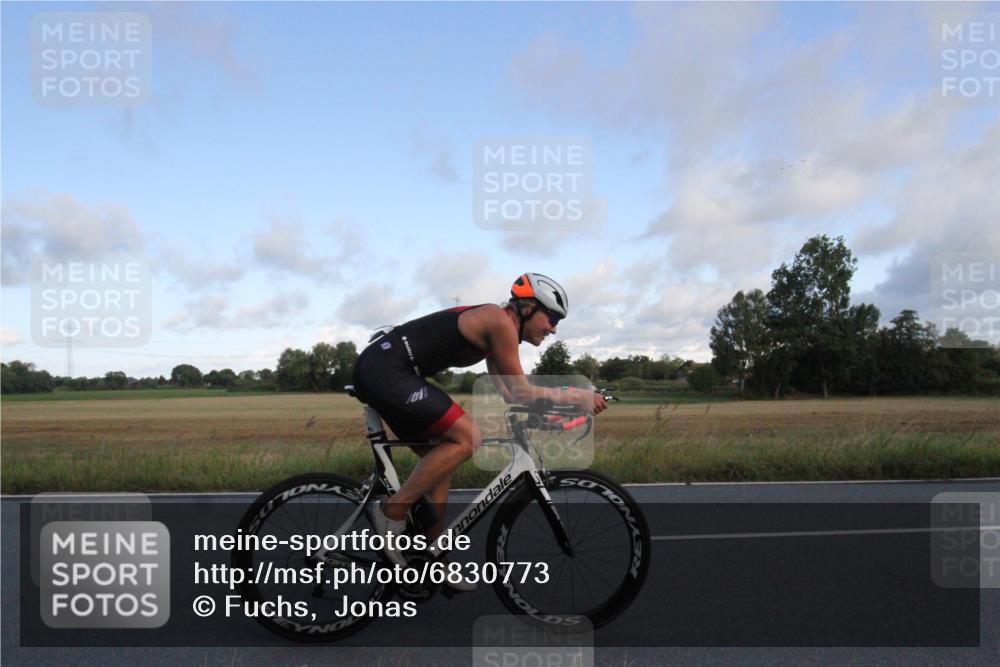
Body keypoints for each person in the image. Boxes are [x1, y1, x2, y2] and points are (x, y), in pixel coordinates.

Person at [350, 272, 607, 583]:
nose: (553, 328)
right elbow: (523, 391)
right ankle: (391, 512)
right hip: (387, 370)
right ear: (527, 307)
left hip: (391, 370)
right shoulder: (499, 322)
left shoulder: (498, 330)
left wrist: (564, 406)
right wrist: (577, 395)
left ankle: (430, 558)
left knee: (441, 460)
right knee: (468, 437)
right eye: (551, 317)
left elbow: (511, 393)